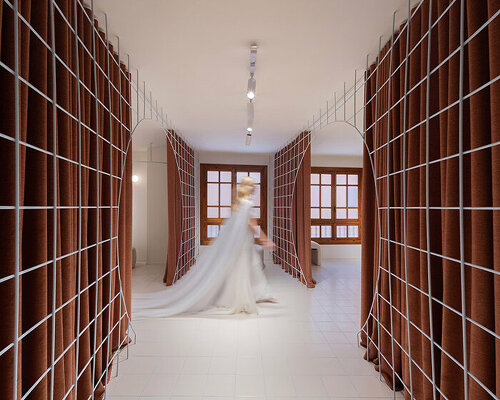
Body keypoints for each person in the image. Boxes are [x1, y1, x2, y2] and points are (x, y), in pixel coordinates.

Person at [132, 176, 276, 318]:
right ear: (250, 187)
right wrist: (266, 240)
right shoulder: (247, 203)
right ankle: (247, 297)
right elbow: (252, 224)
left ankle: (255, 294)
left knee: (246, 267)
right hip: (244, 244)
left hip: (243, 243)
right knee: (248, 267)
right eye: (253, 185)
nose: (255, 188)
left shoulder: (237, 203)